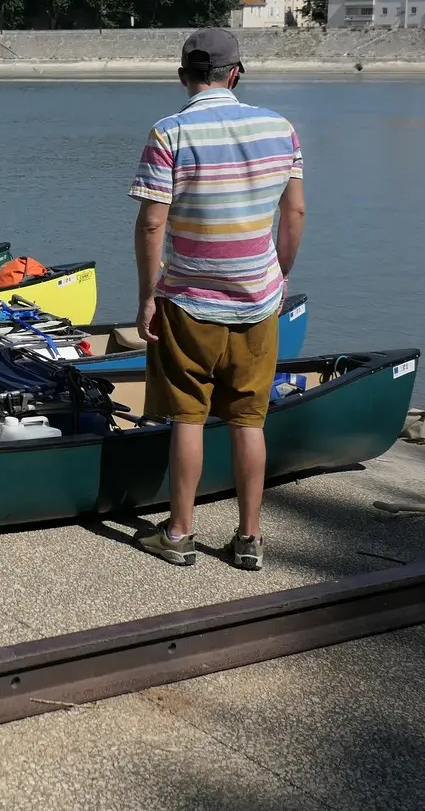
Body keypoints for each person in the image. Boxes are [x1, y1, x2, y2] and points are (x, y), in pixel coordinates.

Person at [128, 28, 305, 572]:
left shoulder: (169, 133)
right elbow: (294, 214)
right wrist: (276, 277)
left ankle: (180, 534)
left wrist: (147, 295)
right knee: (249, 422)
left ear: (185, 76)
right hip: (258, 300)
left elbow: (152, 220)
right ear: (235, 73)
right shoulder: (281, 129)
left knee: (188, 417)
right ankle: (248, 539)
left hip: (188, 299)